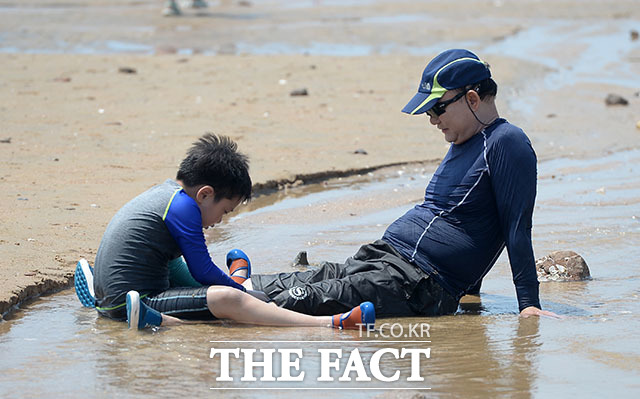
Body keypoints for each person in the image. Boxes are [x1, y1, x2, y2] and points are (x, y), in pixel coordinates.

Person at [245, 49, 559, 319]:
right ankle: (214, 285)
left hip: (417, 282)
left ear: (472, 99)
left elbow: (516, 227)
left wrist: (528, 304)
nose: (432, 120)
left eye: (436, 108)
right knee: (293, 281)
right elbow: (466, 217)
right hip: (384, 260)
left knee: (304, 299)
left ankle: (211, 307)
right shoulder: (464, 143)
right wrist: (472, 293)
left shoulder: (507, 142)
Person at [75, 133, 375, 330]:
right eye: (225, 211)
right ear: (205, 194)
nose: (220, 221)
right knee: (230, 302)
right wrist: (241, 292)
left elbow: (178, 268)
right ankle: (329, 324)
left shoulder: (166, 194)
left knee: (200, 282)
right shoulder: (184, 209)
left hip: (119, 293)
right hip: (131, 301)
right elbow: (203, 270)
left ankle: (125, 306)